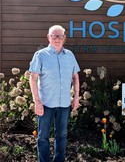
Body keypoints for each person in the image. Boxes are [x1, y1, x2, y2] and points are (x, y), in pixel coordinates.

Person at [29, 25, 80, 162]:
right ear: (48, 37)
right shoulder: (40, 55)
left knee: (62, 135)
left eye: (60, 36)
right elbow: (32, 79)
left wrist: (76, 98)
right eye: (54, 36)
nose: (57, 39)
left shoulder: (70, 56)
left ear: (64, 38)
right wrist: (37, 102)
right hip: (45, 104)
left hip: (64, 103)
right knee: (43, 136)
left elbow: (75, 77)